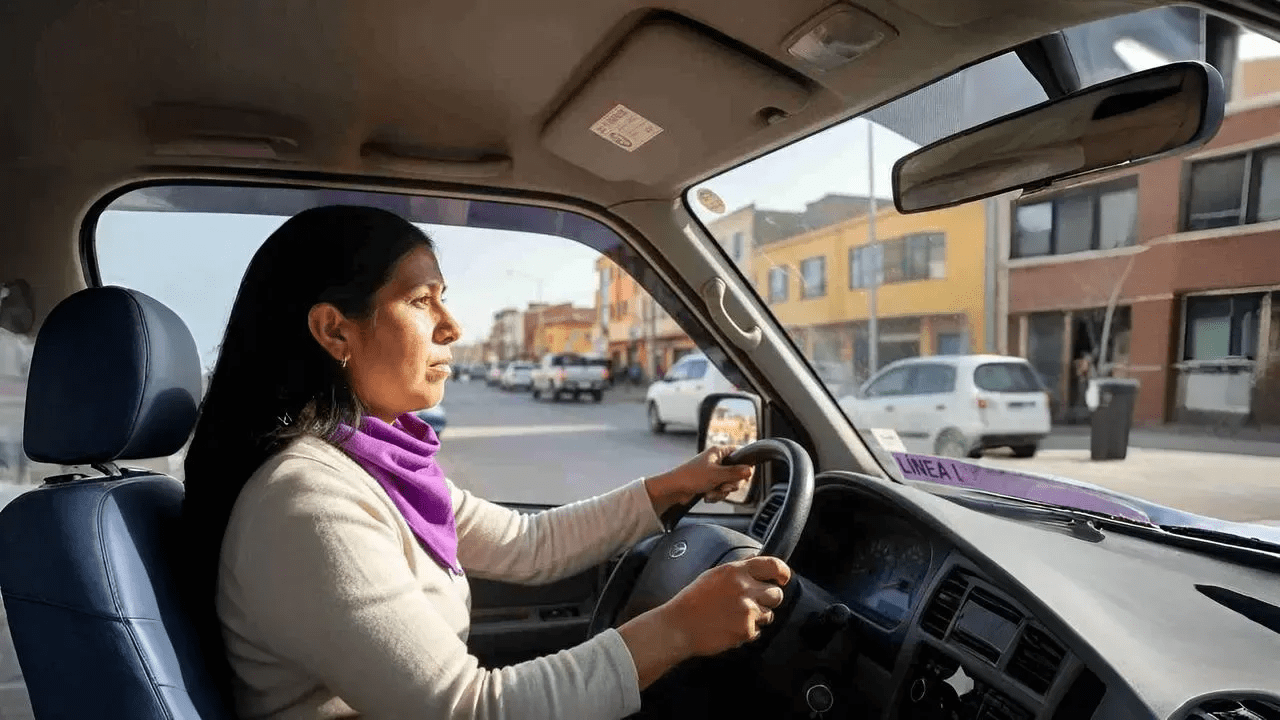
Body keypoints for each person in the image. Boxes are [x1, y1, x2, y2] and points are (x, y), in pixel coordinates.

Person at [181, 205, 790, 720]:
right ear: (335, 332)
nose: (452, 326)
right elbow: (468, 709)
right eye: (422, 301)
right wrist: (679, 628)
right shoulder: (306, 502)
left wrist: (674, 485)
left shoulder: (369, 468)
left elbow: (530, 542)